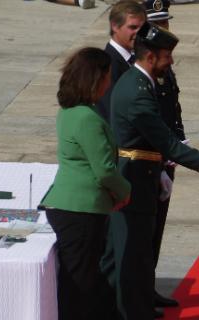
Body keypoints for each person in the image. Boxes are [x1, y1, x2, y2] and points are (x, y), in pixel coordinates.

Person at [101, 22, 199, 320]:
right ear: (151, 57)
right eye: (167, 56)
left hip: (142, 174)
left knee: (140, 253)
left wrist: (159, 172)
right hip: (134, 180)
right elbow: (164, 140)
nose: (171, 61)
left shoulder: (141, 82)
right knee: (131, 255)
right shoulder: (137, 92)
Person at [40, 47, 131, 320]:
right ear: (96, 78)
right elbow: (104, 170)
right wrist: (125, 191)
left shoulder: (69, 112)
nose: (109, 83)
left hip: (70, 206)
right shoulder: (88, 118)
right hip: (81, 209)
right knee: (79, 284)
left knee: (82, 278)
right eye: (107, 77)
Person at [143, 0, 182, 310]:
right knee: (145, 229)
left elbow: (171, 107)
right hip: (150, 159)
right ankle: (140, 290)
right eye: (157, 25)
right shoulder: (141, 69)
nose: (164, 29)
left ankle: (148, 285)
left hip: (166, 155)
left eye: (165, 23)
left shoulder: (163, 65)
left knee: (157, 228)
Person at [96, 0, 147, 123]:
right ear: (114, 26)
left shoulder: (137, 58)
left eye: (143, 28)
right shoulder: (108, 64)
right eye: (133, 27)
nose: (139, 33)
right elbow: (112, 113)